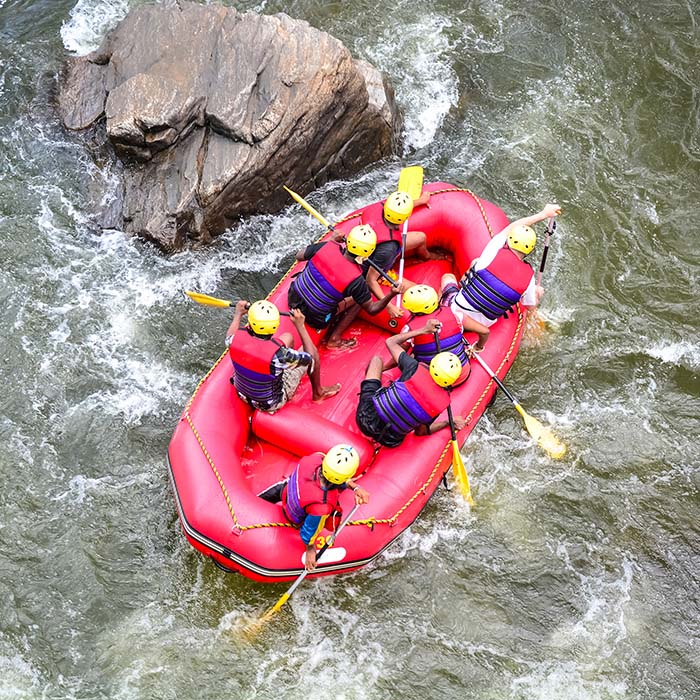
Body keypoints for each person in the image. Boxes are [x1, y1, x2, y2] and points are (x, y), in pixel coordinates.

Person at [288, 224, 409, 348]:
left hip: (292, 298)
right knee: (362, 297)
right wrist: (391, 294)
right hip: (315, 319)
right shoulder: (356, 280)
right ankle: (335, 339)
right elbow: (372, 309)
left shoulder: (325, 246)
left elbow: (299, 256)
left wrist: (332, 240)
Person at [444, 203, 561, 328]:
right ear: (530, 250)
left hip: (456, 311)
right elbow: (530, 306)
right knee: (477, 264)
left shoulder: (493, 251)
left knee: (448, 277)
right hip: (483, 324)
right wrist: (537, 294)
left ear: (509, 240)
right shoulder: (528, 278)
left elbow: (511, 227)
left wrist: (543, 214)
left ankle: (443, 309)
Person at [356, 320, 467, 447]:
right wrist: (448, 422)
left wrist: (423, 330)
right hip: (391, 440)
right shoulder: (443, 402)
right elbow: (421, 432)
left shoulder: (413, 367)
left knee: (376, 360)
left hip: (364, 418)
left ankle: (374, 385)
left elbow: (390, 342)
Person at [258, 444, 370, 571]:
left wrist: (355, 487)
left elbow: (332, 475)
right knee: (321, 519)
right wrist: (310, 548)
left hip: (285, 492)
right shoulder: (322, 505)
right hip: (293, 517)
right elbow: (308, 532)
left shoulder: (315, 458)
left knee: (279, 489)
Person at [226, 299, 340, 412]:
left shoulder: (233, 340)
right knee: (309, 352)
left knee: (288, 337)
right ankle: (318, 392)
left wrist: (238, 314)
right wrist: (300, 326)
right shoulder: (280, 356)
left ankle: (277, 370)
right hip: (270, 402)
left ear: (250, 324)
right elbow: (311, 358)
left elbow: (229, 336)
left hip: (241, 393)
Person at [360, 190, 444, 319]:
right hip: (374, 268)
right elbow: (370, 279)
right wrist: (388, 306)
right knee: (417, 290)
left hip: (377, 245)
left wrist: (421, 201)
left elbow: (396, 208)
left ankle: (426, 256)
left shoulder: (376, 208)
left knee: (420, 237)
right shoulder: (389, 248)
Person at [400, 284, 483, 372]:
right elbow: (484, 331)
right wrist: (478, 347)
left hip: (432, 375)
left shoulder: (408, 329)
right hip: (462, 371)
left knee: (411, 356)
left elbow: (400, 354)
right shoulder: (455, 314)